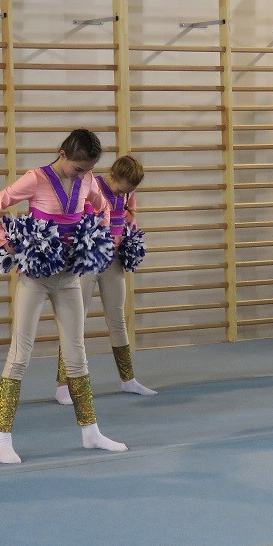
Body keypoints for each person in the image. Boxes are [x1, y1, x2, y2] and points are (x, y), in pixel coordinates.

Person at [0, 129, 127, 463]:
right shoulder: (35, 179)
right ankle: (3, 440)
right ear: (62, 155)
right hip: (35, 279)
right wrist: (6, 244)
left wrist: (98, 235)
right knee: (20, 354)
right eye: (78, 168)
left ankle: (91, 432)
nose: (82, 175)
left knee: (77, 355)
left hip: (70, 278)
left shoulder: (87, 181)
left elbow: (103, 208)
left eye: (88, 169)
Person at [54, 155, 156, 401]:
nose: (125, 194)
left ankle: (128, 380)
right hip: (88, 260)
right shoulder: (92, 187)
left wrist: (129, 242)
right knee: (75, 320)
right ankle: (63, 385)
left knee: (117, 319)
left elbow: (129, 220)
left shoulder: (127, 193)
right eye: (122, 189)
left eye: (130, 191)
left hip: (113, 260)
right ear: (112, 176)